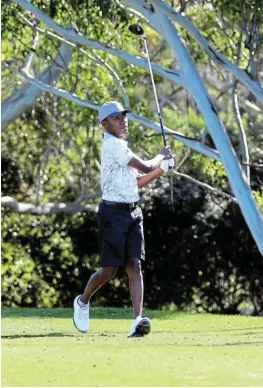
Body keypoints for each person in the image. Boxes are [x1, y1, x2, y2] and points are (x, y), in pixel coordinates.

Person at [73, 101, 174, 337]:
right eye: (117, 117)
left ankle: (137, 320)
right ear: (104, 123)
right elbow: (146, 164)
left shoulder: (122, 146)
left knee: (134, 265)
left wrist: (162, 170)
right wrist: (161, 156)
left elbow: (137, 182)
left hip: (133, 212)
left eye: (123, 116)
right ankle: (83, 301)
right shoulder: (113, 146)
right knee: (109, 270)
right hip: (112, 213)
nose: (123, 120)